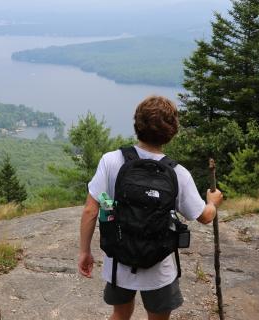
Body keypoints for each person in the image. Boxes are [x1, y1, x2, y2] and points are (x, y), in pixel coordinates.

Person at [78, 95, 223, 320]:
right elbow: (204, 216)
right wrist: (212, 202)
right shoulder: (178, 173)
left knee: (120, 313)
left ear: (137, 124)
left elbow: (90, 210)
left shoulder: (111, 160)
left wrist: (84, 251)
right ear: (172, 131)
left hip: (119, 260)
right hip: (159, 266)